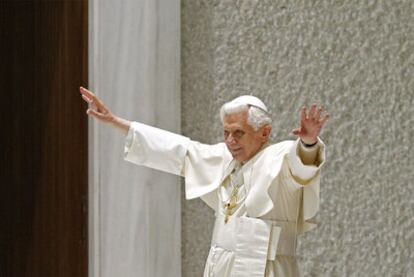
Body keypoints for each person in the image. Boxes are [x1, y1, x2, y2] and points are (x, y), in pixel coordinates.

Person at [79, 86, 329, 277]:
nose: (230, 141)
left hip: (265, 268)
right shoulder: (223, 157)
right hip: (221, 265)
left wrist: (308, 143)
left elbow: (304, 167)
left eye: (238, 133)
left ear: (264, 132)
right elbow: (178, 150)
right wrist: (116, 121)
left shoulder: (280, 157)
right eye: (226, 132)